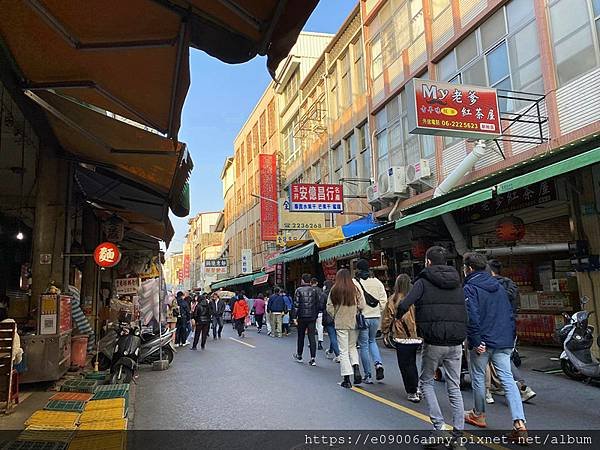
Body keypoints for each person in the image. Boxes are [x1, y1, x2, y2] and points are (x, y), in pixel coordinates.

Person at [396, 246, 467, 445]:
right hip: (456, 341)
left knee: (426, 382)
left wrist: (398, 317)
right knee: (454, 386)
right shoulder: (457, 282)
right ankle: (458, 435)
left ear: (428, 262)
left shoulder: (423, 282)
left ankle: (439, 428)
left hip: (434, 341)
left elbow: (404, 303)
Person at [463, 252, 527, 441]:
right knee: (507, 379)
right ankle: (519, 422)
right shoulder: (499, 287)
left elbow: (472, 317)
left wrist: (476, 341)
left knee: (479, 377)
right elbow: (508, 313)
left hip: (483, 341)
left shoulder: (470, 288)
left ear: (469, 268)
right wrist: (509, 338)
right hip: (503, 340)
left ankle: (479, 414)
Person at [487, 259, 536, 403]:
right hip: (510, 326)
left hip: (493, 327)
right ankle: (515, 386)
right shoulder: (511, 284)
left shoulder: (490, 286)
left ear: (489, 271)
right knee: (505, 356)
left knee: (496, 359)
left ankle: (519, 388)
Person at [381, 274, 422, 403]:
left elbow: (387, 318)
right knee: (413, 362)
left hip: (401, 335)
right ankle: (417, 386)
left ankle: (412, 391)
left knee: (405, 364)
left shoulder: (393, 299)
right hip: (416, 335)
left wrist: (385, 332)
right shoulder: (417, 298)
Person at [327, 269, 366, 388]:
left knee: (343, 351)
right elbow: (362, 305)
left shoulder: (335, 289)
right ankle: (356, 367)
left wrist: (336, 315)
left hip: (341, 323)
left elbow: (329, 307)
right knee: (352, 347)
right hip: (354, 322)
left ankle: (347, 378)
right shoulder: (355, 288)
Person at [354, 259, 388, 383]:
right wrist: (378, 310)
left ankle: (367, 375)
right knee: (372, 341)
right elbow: (384, 300)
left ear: (358, 269)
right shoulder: (377, 282)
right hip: (375, 317)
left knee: (363, 345)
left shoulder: (355, 283)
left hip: (362, 318)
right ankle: (378, 364)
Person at [292, 273, 321, 366]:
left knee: (301, 337)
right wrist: (315, 315)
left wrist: (294, 317)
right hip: (312, 317)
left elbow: (296, 305)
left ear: (303, 280)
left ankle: (299, 355)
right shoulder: (315, 290)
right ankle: (313, 358)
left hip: (302, 317)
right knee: (312, 337)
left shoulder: (298, 290)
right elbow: (318, 304)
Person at [322, 280, 340, 362]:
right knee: (335, 336)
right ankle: (330, 350)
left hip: (329, 317)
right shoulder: (337, 292)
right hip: (338, 316)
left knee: (332, 336)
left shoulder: (324, 294)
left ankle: (338, 355)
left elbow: (321, 306)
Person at [311, 278, 325, 350]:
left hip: (311, 311)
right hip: (320, 311)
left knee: (312, 327)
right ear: (316, 283)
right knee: (320, 327)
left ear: (311, 283)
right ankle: (320, 342)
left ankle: (311, 342)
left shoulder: (309, 290)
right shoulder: (321, 290)